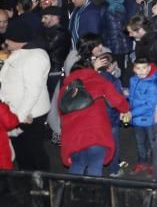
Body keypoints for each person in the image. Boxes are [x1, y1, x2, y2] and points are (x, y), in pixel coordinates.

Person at [57, 54, 131, 175]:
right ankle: (94, 193)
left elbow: (61, 113)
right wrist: (126, 110)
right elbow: (118, 100)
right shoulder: (98, 80)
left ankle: (73, 192)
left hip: (73, 135)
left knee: (77, 164)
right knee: (95, 164)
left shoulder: (64, 90)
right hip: (96, 131)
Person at [0, 19, 51, 170]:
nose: (6, 42)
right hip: (15, 113)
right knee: (21, 151)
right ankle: (27, 182)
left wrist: (19, 118)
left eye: (9, 39)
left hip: (30, 115)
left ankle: (43, 185)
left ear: (20, 40)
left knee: (33, 151)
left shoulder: (35, 57)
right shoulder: (20, 53)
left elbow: (32, 91)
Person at [127, 55, 157, 174]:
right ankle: (142, 162)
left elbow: (150, 105)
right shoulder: (133, 80)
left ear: (149, 69)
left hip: (149, 120)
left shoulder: (152, 86)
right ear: (133, 69)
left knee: (152, 143)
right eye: (138, 68)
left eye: (144, 68)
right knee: (139, 142)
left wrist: (131, 112)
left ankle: (153, 164)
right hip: (136, 120)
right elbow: (133, 97)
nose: (141, 71)